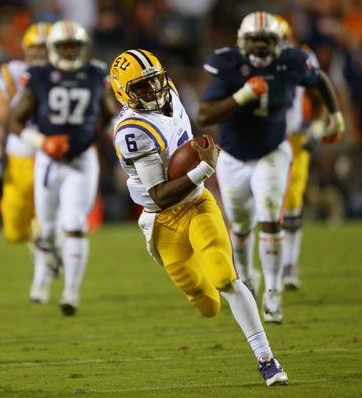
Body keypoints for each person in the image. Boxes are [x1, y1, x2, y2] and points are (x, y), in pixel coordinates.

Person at [110, 48, 288, 386]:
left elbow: (187, 143)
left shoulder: (172, 93)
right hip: (162, 218)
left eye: (154, 80)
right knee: (207, 303)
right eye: (143, 87)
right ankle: (208, 295)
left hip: (196, 203)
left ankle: (266, 359)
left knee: (226, 278)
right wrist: (205, 167)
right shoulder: (132, 131)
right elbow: (160, 195)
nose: (154, 89)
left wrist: (202, 157)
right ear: (124, 92)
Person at [198, 11, 344, 323]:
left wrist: (335, 114)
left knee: (270, 217)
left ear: (278, 42)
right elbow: (205, 115)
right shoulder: (228, 65)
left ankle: (274, 290)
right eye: (255, 41)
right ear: (242, 42)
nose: (261, 47)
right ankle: (249, 277)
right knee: (240, 225)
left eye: (267, 41)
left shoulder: (291, 61)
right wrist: (242, 95)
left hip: (272, 150)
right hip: (234, 155)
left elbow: (319, 81)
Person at [9, 20, 119, 315]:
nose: (70, 52)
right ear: (53, 49)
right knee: (46, 229)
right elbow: (14, 120)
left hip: (82, 159)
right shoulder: (40, 76)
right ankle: (41, 281)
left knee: (73, 224)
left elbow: (111, 117)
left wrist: (124, 145)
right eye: (65, 47)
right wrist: (42, 142)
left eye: (75, 47)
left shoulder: (96, 74)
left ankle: (71, 292)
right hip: (49, 160)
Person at [0, 22, 50, 244]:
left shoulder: (66, 75)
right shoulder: (14, 73)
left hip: (52, 155)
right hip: (20, 157)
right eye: (36, 47)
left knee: (49, 220)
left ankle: (45, 249)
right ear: (25, 49)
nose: (40, 52)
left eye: (45, 47)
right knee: (13, 231)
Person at [275, 15, 327, 290]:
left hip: (293, 137)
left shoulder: (302, 58)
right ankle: (248, 270)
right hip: (261, 141)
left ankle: (289, 265)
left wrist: (316, 129)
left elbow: (318, 96)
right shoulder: (250, 62)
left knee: (293, 198)